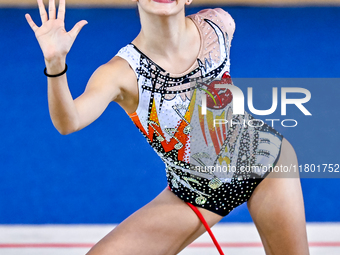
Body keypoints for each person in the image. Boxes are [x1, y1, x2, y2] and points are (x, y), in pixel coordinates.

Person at [25, 0, 310, 254]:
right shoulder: (120, 73)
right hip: (193, 190)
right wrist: (55, 64)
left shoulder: (218, 24)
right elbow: (68, 122)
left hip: (265, 161)